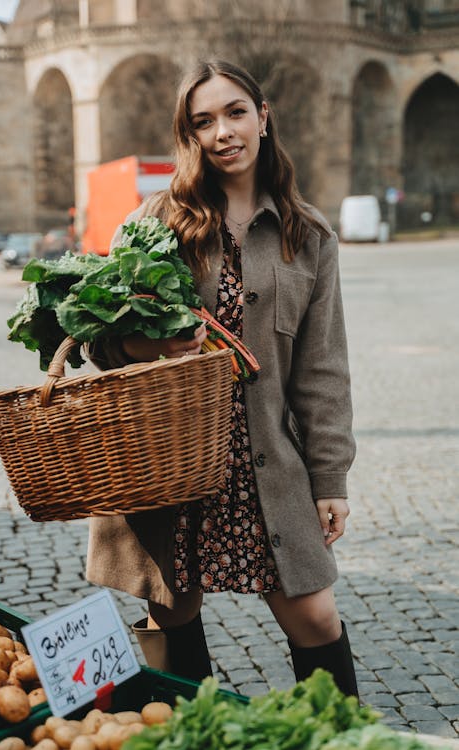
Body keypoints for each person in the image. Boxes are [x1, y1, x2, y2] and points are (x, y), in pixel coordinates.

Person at [86, 59, 358, 697]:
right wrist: (148, 342)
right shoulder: (154, 224)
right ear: (189, 135)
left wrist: (330, 478)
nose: (223, 133)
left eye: (235, 112)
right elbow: (97, 344)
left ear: (263, 117)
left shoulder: (308, 234)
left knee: (315, 617)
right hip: (172, 460)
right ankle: (186, 729)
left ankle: (338, 737)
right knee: (172, 611)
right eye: (202, 121)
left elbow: (323, 368)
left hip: (265, 458)